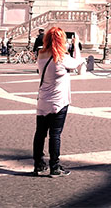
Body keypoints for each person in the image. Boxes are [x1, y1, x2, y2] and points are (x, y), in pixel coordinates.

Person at [33, 27, 85, 177]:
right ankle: (55, 167)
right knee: (55, 134)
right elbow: (77, 62)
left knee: (40, 134)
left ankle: (38, 165)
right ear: (62, 40)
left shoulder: (41, 55)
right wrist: (76, 45)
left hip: (42, 101)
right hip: (58, 101)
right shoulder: (62, 57)